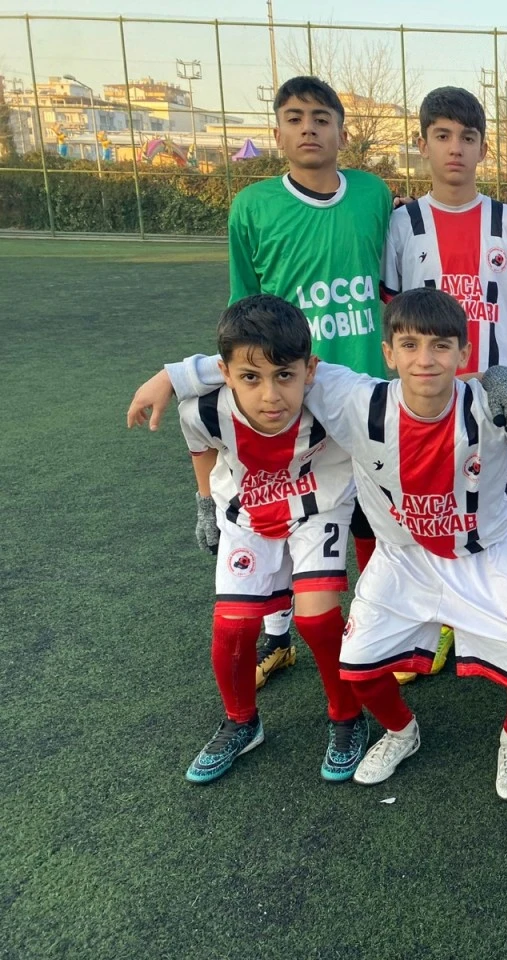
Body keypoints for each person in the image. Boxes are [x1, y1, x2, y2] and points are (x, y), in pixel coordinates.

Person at [129, 288, 507, 800]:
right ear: (388, 353)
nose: (424, 359)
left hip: (485, 554)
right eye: (409, 345)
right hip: (402, 559)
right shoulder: (355, 399)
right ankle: (401, 731)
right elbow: (262, 360)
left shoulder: (494, 402)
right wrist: (173, 376)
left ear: (463, 352)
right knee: (356, 664)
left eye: (441, 346)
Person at [131, 295, 368, 784]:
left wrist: (486, 382)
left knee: (317, 618)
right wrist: (205, 504)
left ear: (310, 370)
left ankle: (347, 715)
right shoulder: (204, 409)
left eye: (285, 376)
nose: (270, 395)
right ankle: (242, 722)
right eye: (251, 378)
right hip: (246, 511)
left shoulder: (335, 392)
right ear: (224, 374)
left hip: (317, 507)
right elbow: (200, 446)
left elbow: (411, 390)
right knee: (232, 628)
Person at [224, 75, 394, 687]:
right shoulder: (252, 206)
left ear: (342, 132)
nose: (308, 129)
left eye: (321, 118)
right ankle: (279, 636)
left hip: (363, 391)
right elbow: (243, 307)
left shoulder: (374, 195)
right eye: (294, 118)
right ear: (277, 133)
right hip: (288, 394)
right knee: (280, 515)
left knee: (374, 517)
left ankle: (377, 627)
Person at [381, 85, 507, 532]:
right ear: (423, 145)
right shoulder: (401, 224)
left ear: (483, 149)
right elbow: (390, 312)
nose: (455, 148)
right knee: (426, 519)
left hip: (496, 398)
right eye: (442, 136)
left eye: (467, 137)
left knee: (501, 523)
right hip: (425, 400)